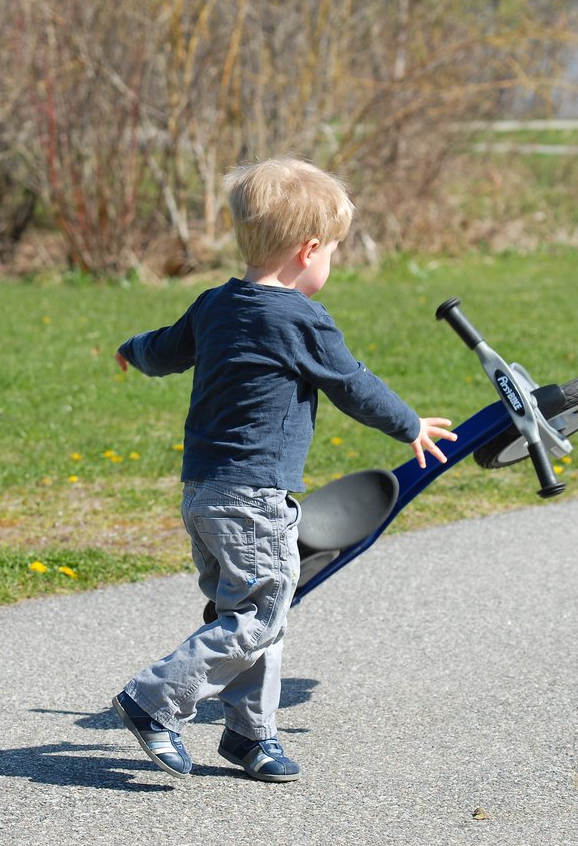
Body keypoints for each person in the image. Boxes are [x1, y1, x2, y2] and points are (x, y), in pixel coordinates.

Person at [109, 157, 456, 782]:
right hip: (253, 495)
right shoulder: (299, 318)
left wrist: (131, 351)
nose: (332, 265)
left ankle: (249, 735)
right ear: (309, 249)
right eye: (334, 253)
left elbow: (164, 348)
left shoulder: (216, 304)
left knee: (246, 610)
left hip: (204, 493)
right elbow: (353, 385)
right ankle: (153, 700)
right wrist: (410, 424)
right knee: (260, 614)